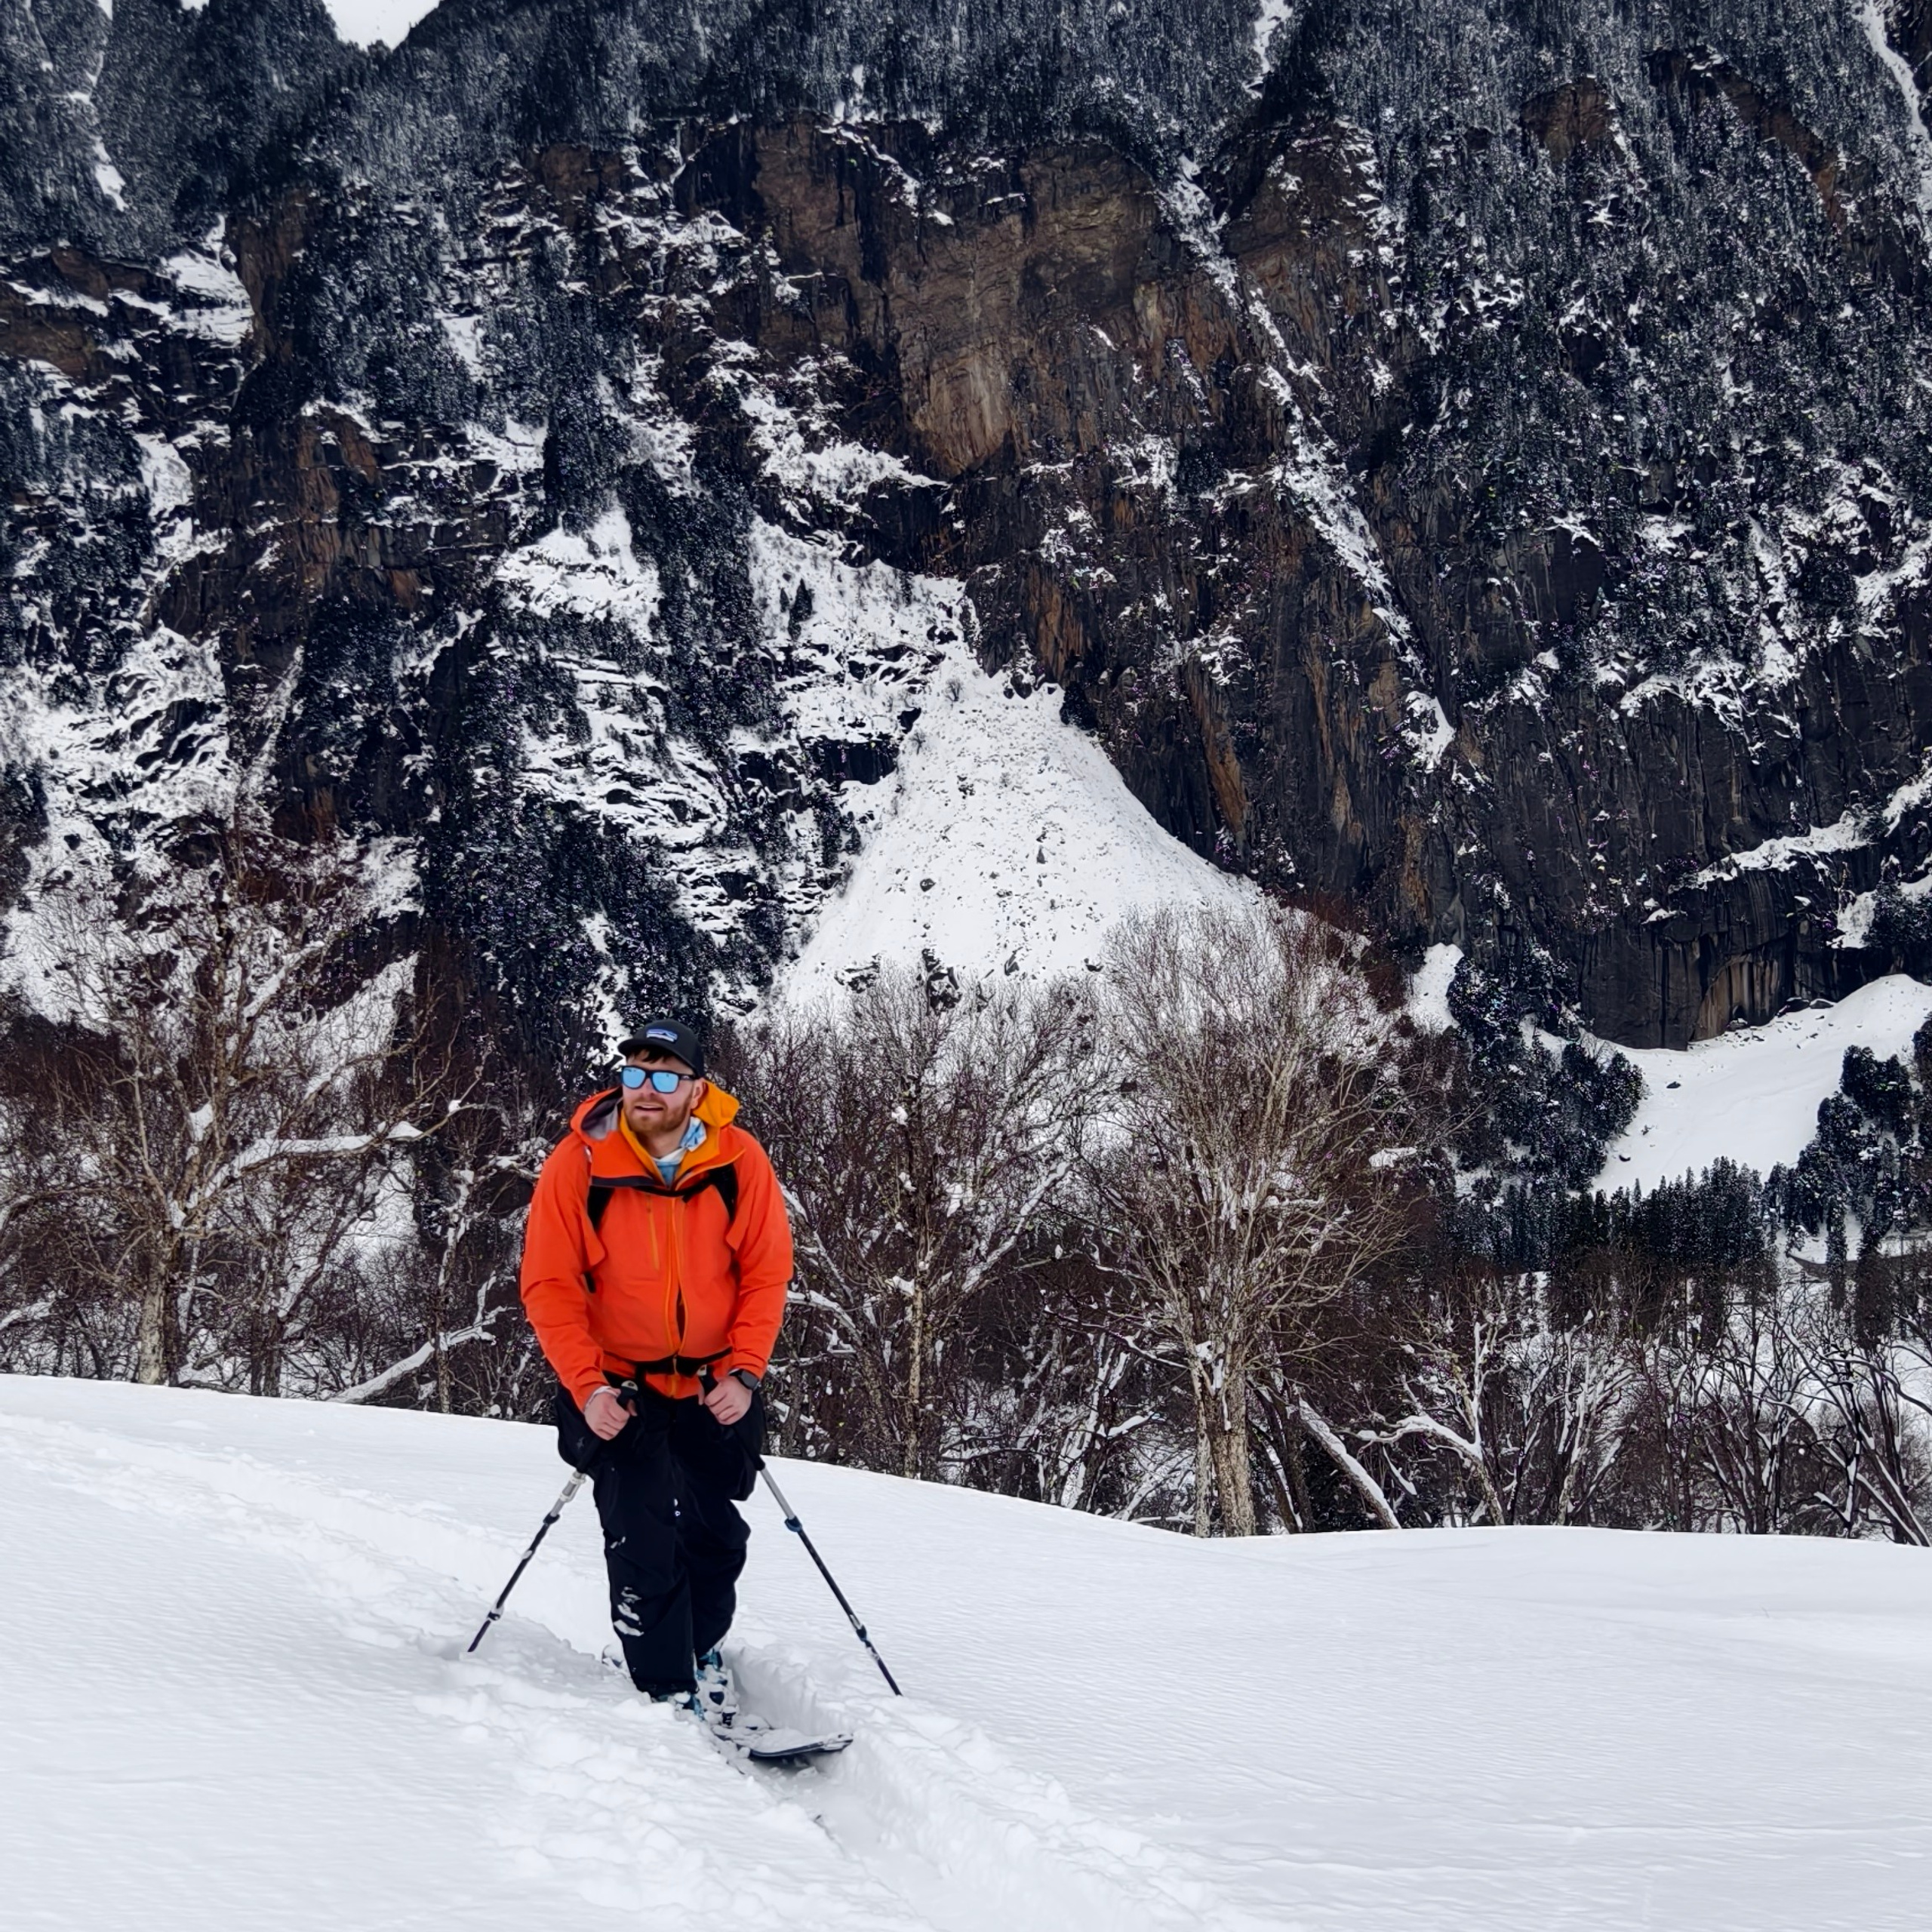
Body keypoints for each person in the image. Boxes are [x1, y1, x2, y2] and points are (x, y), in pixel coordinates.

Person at [518, 1017, 792, 1710]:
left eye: (665, 1075)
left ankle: (698, 1651)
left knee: (717, 1533)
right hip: (621, 1385)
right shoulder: (580, 1164)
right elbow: (550, 1284)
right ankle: (665, 1685)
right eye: (635, 1072)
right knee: (642, 1536)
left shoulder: (738, 1161)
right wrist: (587, 1387)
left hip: (713, 1383)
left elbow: (765, 1273)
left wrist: (745, 1370)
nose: (645, 1088)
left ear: (696, 1090)